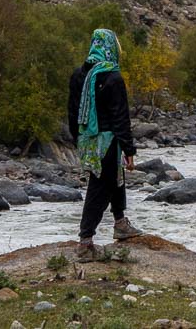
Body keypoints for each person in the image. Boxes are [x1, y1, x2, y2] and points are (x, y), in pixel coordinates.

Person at [68, 28, 142, 261]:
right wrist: (129, 150)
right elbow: (120, 117)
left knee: (114, 178)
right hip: (108, 141)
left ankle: (120, 223)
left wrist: (78, 140)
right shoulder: (112, 76)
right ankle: (85, 243)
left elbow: (72, 113)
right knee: (100, 188)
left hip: (88, 141)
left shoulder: (78, 75)